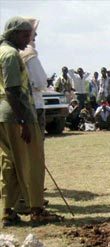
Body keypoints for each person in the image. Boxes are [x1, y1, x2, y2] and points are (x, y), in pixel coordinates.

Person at [0, 17, 62, 226]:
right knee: (32, 162)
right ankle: (37, 209)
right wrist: (23, 121)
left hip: (3, 116)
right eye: (26, 35)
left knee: (10, 164)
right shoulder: (9, 54)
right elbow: (13, 89)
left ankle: (8, 211)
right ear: (14, 33)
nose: (29, 40)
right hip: (17, 114)